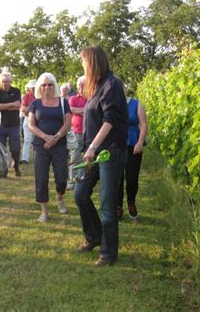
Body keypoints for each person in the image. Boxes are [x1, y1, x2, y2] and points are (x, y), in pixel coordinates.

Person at [73, 46, 128, 268]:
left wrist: (93, 147)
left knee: (107, 203)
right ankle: (94, 237)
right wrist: (90, 148)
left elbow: (109, 120)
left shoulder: (112, 85)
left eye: (83, 61)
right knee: (80, 194)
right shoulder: (95, 87)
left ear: (93, 62)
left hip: (109, 152)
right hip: (94, 152)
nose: (82, 65)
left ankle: (108, 252)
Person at [28, 72, 71, 222]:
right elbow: (31, 125)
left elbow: (68, 123)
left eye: (50, 84)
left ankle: (59, 196)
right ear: (40, 87)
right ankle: (44, 211)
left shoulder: (63, 103)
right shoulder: (35, 104)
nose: (47, 87)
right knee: (41, 178)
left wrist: (55, 137)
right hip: (41, 145)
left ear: (55, 86)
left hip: (60, 145)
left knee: (62, 177)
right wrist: (46, 137)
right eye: (44, 85)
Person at [117, 94, 148, 220]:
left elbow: (144, 125)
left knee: (132, 176)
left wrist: (140, 142)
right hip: (117, 143)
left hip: (133, 144)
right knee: (117, 176)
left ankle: (131, 202)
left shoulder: (137, 103)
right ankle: (117, 205)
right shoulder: (112, 103)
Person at [0, 72, 21, 178]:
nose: (4, 84)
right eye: (2, 82)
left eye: (6, 82)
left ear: (10, 82)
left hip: (14, 125)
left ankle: (16, 166)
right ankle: (3, 171)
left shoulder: (16, 91)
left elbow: (18, 106)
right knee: (1, 150)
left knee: (15, 149)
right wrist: (11, 105)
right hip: (1, 126)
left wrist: (4, 106)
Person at [68, 76, 87, 190]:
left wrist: (82, 111)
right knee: (75, 156)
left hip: (88, 132)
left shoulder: (90, 98)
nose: (80, 87)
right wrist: (86, 110)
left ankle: (80, 180)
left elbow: (93, 111)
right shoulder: (73, 98)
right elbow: (72, 110)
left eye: (83, 85)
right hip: (77, 131)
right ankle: (72, 180)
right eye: (79, 85)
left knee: (85, 157)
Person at [20, 79, 36, 164]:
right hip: (28, 118)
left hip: (38, 119)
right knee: (27, 139)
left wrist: (29, 109)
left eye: (34, 87)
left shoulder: (40, 96)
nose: (33, 89)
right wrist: (33, 111)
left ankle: (37, 157)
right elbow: (23, 108)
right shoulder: (26, 96)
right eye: (32, 87)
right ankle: (25, 158)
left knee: (37, 139)